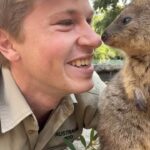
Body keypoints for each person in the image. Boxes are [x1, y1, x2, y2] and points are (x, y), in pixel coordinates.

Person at [0, 0, 106, 149]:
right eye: (66, 23)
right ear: (8, 44)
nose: (95, 39)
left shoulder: (88, 91)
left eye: (88, 21)